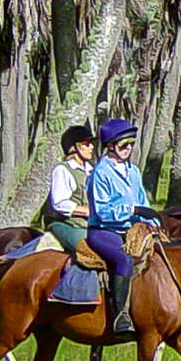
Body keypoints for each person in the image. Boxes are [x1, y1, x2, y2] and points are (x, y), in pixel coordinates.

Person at [85, 118, 158, 334]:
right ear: (110, 146)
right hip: (104, 231)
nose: (128, 149)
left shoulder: (133, 171)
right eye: (124, 145)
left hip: (132, 228)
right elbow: (101, 211)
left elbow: (143, 202)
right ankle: (120, 316)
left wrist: (153, 223)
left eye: (131, 144)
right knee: (124, 260)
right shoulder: (100, 173)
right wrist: (131, 211)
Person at [45, 124, 95, 252]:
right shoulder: (62, 170)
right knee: (90, 251)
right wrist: (88, 211)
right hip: (66, 224)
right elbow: (60, 203)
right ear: (74, 147)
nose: (92, 147)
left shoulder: (91, 170)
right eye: (87, 143)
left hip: (89, 224)